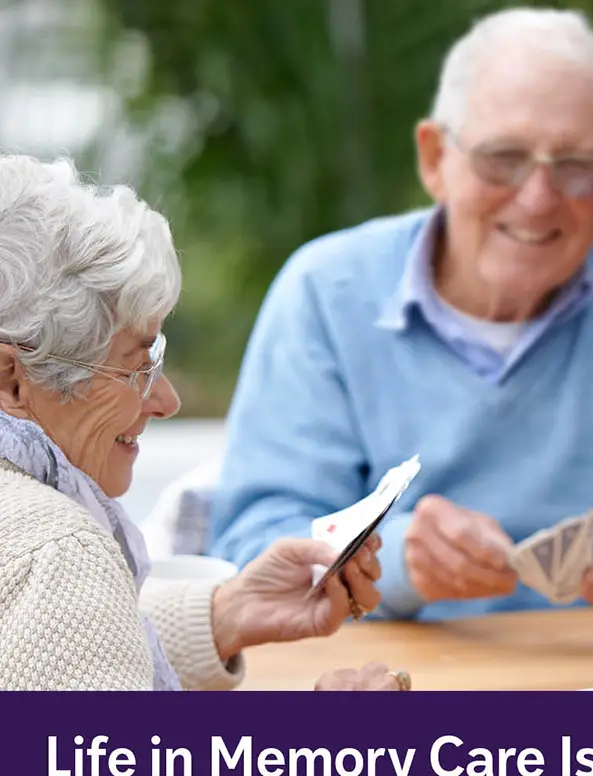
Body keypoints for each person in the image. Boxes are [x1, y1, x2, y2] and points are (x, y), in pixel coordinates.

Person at [210, 7, 593, 622]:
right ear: (435, 159)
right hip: (391, 703)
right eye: (502, 158)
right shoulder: (326, 291)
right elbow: (249, 549)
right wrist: (397, 560)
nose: (537, 200)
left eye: (577, 167)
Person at [0, 154, 406, 692]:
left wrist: (227, 611)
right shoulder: (59, 555)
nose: (165, 401)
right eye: (133, 368)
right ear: (11, 380)